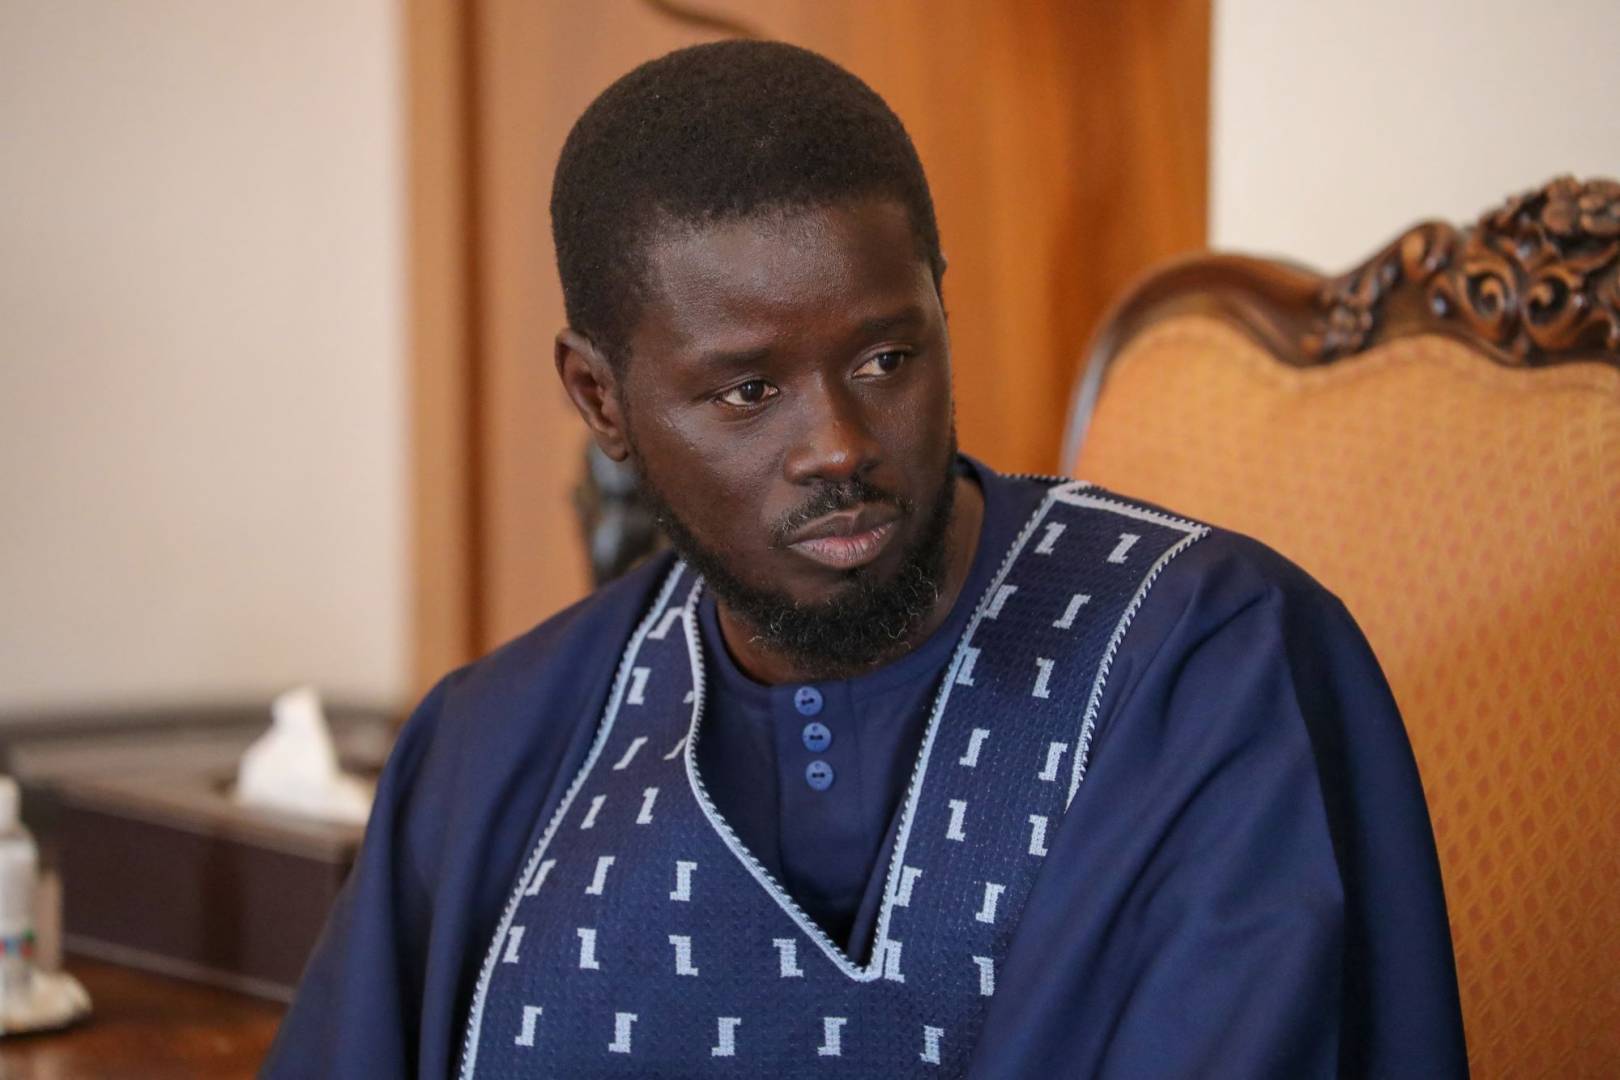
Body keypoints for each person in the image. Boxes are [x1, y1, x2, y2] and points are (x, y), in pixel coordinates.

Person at [264, 41, 1466, 1078]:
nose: (838, 446)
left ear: (940, 307)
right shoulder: (491, 752)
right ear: (601, 399)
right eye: (748, 390)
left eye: (888, 359)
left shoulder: (1210, 668)